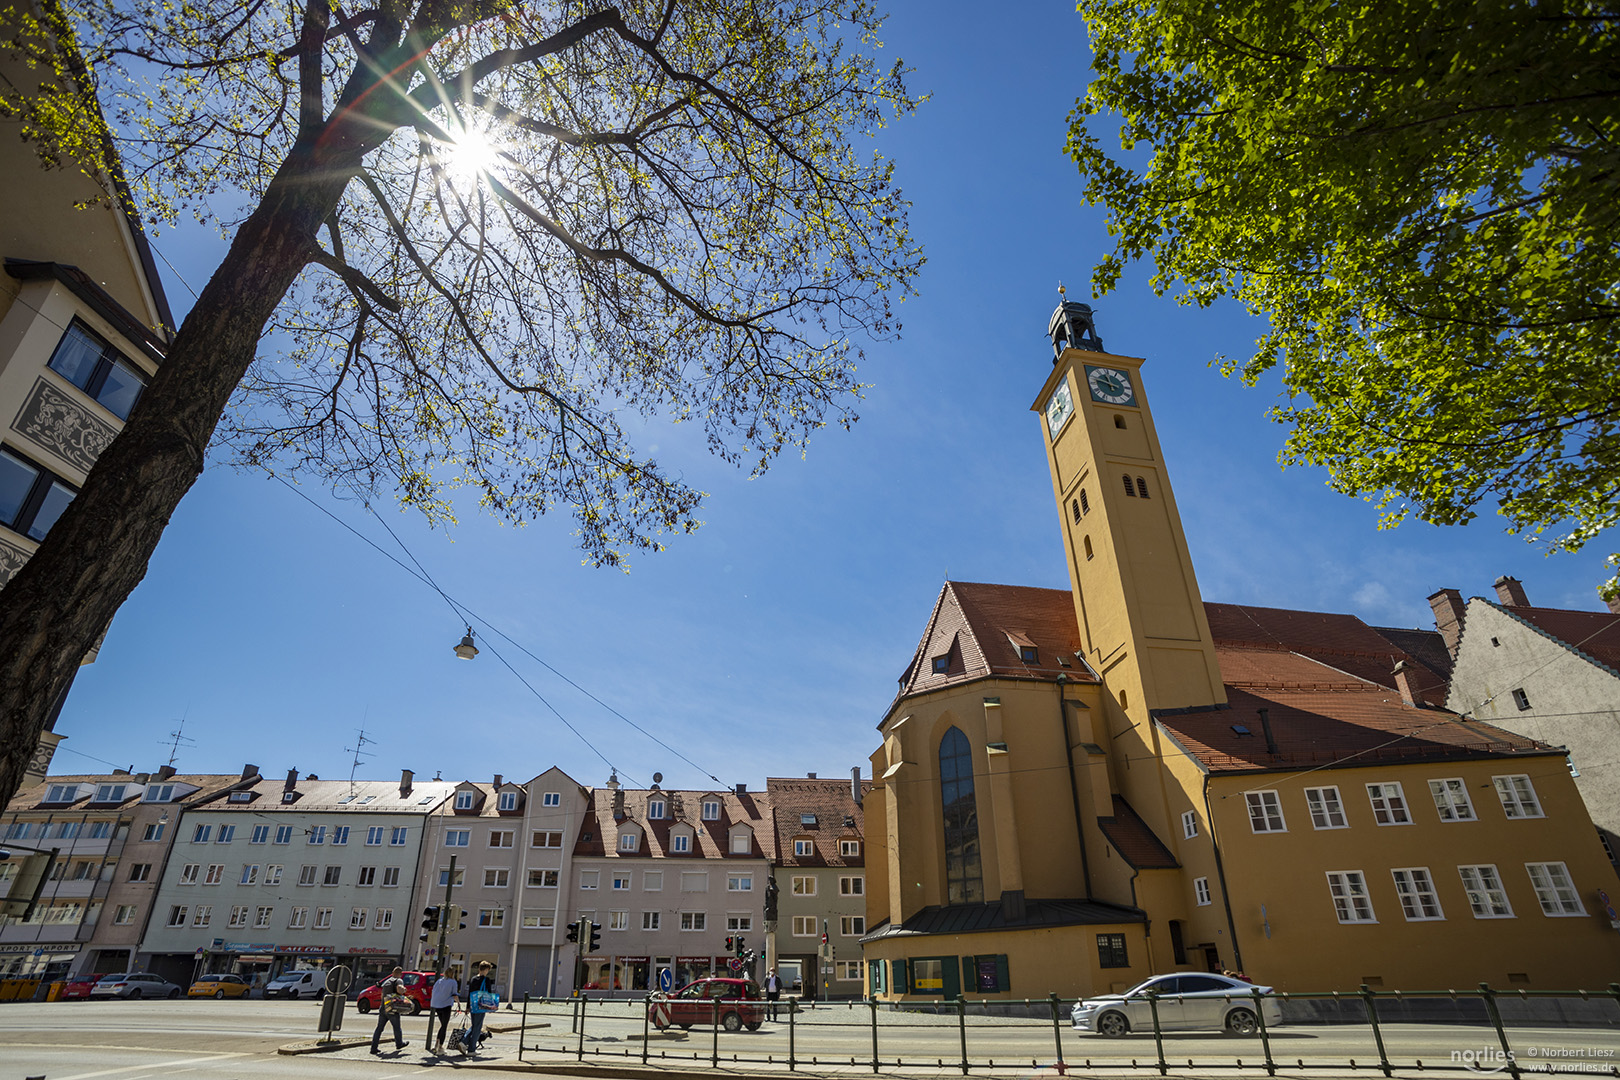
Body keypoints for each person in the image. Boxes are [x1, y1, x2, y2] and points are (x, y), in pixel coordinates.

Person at [369, 967, 411, 1054]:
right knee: (396, 1027)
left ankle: (373, 1047)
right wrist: (404, 990)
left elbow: (382, 995)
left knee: (379, 1028)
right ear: (400, 974)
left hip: (383, 1006)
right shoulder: (398, 980)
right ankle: (399, 1043)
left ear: (392, 972)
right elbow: (400, 989)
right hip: (392, 1007)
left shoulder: (387, 981)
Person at [464, 961, 497, 1056]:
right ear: (486, 969)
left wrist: (468, 1007)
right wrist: (491, 1007)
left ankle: (464, 1042)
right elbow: (489, 994)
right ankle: (471, 1049)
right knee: (477, 1027)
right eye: (487, 970)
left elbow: (469, 993)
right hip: (481, 1005)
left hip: (473, 1004)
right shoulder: (486, 980)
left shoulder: (473, 979)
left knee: (474, 1025)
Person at [427, 971, 459, 1053]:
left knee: (443, 1025)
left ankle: (437, 1044)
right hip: (446, 1005)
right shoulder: (453, 982)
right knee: (444, 1026)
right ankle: (440, 1046)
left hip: (437, 1004)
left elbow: (434, 991)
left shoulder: (439, 981)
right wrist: (458, 1003)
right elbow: (454, 994)